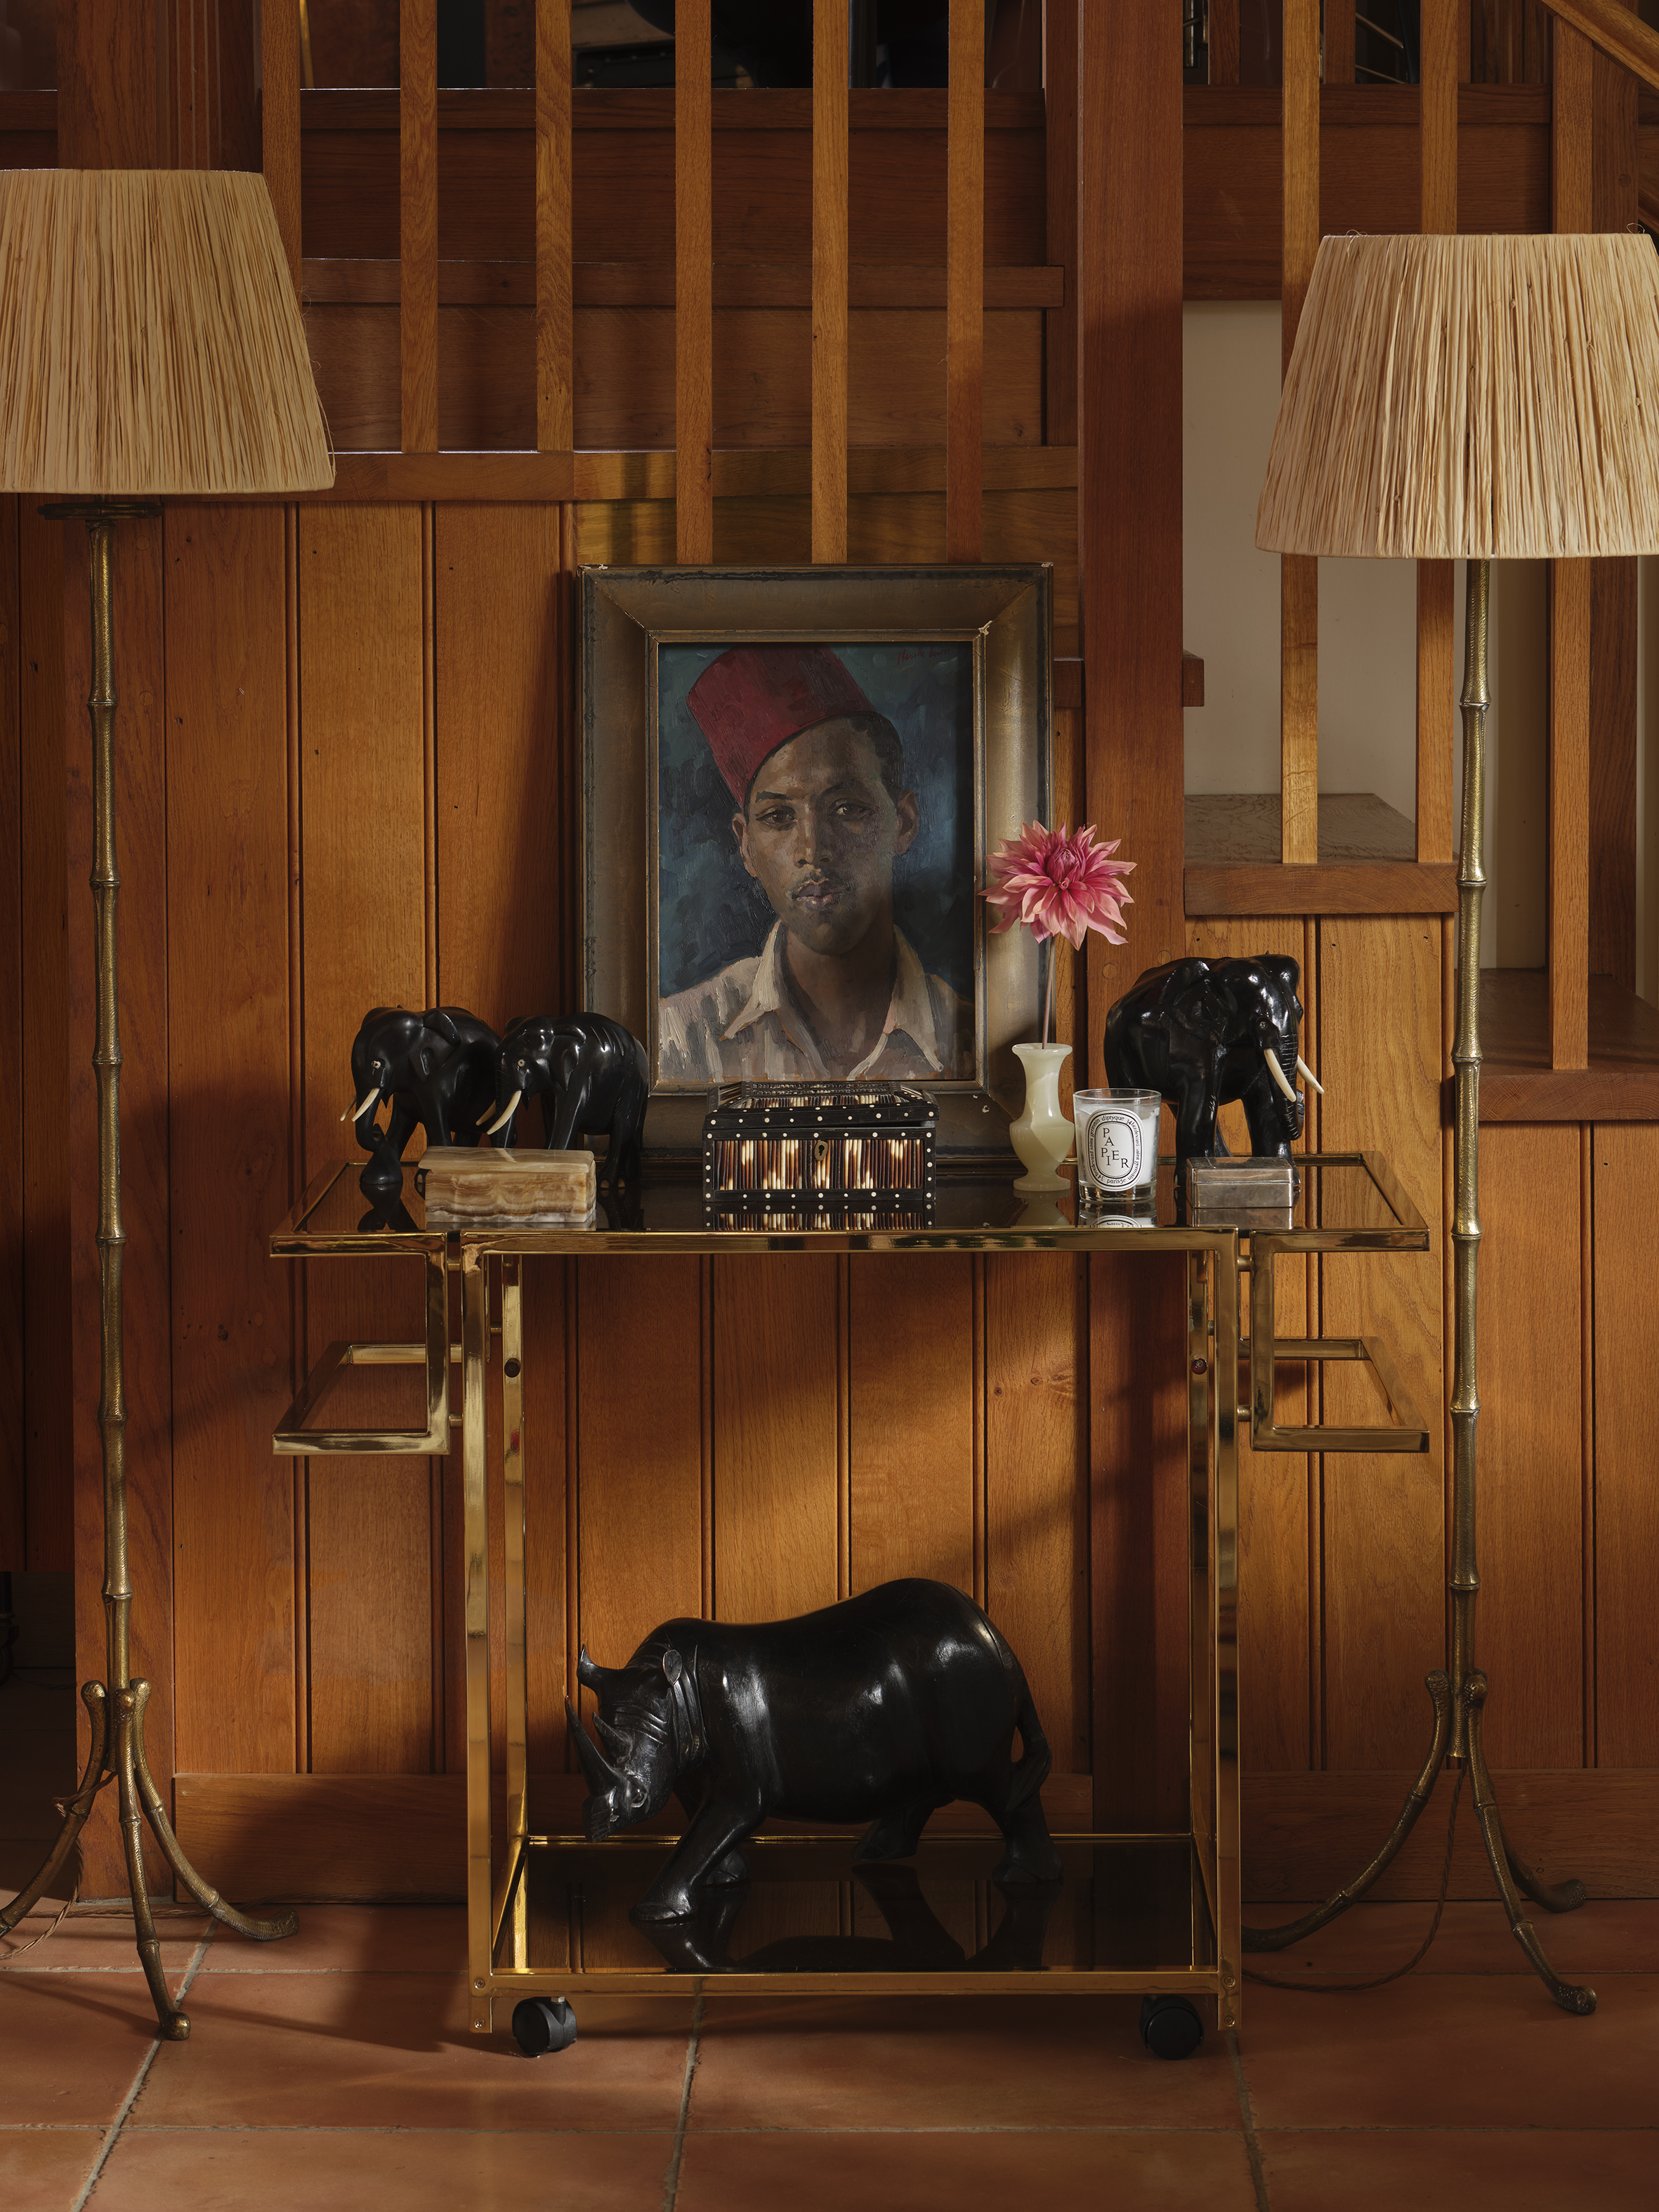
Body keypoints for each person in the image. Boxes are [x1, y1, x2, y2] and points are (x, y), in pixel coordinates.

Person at [657, 644, 973, 1084]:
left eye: (846, 808)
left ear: (903, 822)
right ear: (745, 845)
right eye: (778, 817)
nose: (813, 848)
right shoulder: (677, 1040)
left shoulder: (971, 1043)